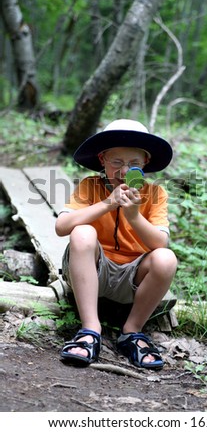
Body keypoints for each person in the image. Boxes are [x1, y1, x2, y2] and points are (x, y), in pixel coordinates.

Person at [55, 119, 177, 370]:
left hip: (133, 277)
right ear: (102, 160)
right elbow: (62, 227)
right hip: (92, 268)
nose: (124, 171)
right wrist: (108, 203)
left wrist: (134, 216)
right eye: (116, 162)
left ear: (145, 163)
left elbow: (160, 243)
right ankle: (90, 328)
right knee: (82, 233)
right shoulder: (91, 186)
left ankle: (132, 331)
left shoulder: (155, 194)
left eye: (133, 164)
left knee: (167, 258)